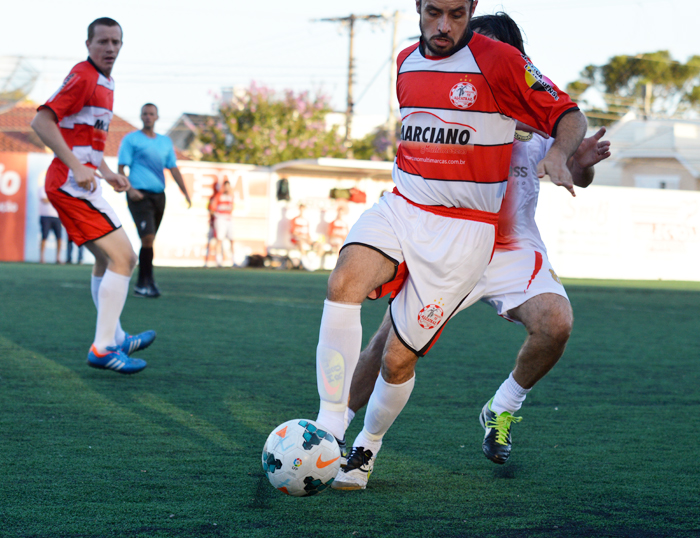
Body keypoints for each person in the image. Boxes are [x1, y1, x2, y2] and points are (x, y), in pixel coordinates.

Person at [309, 0, 588, 489]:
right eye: (434, 12)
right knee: (347, 285)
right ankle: (329, 426)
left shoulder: (506, 73)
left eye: (456, 15)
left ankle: (379, 444)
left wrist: (566, 156)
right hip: (407, 209)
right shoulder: (406, 63)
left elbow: (567, 121)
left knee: (402, 357)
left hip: (481, 241)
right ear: (417, 7)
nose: (444, 26)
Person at [31, 17, 154, 374]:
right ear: (88, 45)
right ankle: (102, 347)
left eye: (116, 42)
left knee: (106, 260)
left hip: (82, 182)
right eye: (103, 42)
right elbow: (42, 121)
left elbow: (86, 143)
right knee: (125, 258)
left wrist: (106, 172)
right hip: (70, 185)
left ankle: (113, 336)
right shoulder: (84, 76)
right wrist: (77, 166)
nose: (110, 48)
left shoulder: (106, 82)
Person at [118, 103, 191, 297]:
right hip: (139, 196)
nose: (148, 117)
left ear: (157, 117)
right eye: (145, 114)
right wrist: (130, 189)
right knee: (147, 238)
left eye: (151, 114)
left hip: (159, 196)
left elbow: (173, 168)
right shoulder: (131, 140)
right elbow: (121, 168)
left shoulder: (165, 142)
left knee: (149, 241)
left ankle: (146, 281)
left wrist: (185, 192)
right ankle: (144, 283)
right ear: (141, 116)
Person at [208, 179, 235, 267]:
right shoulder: (218, 196)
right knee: (219, 239)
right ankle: (218, 261)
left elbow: (232, 208)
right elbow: (212, 208)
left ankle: (233, 261)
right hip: (220, 219)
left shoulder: (231, 196)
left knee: (232, 239)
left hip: (229, 219)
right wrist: (216, 217)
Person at [38, 182, 63, 264]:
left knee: (59, 238)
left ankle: (58, 258)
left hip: (56, 216)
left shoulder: (57, 189)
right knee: (44, 237)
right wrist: (54, 198)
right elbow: (44, 200)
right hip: (45, 216)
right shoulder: (42, 188)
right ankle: (41, 258)